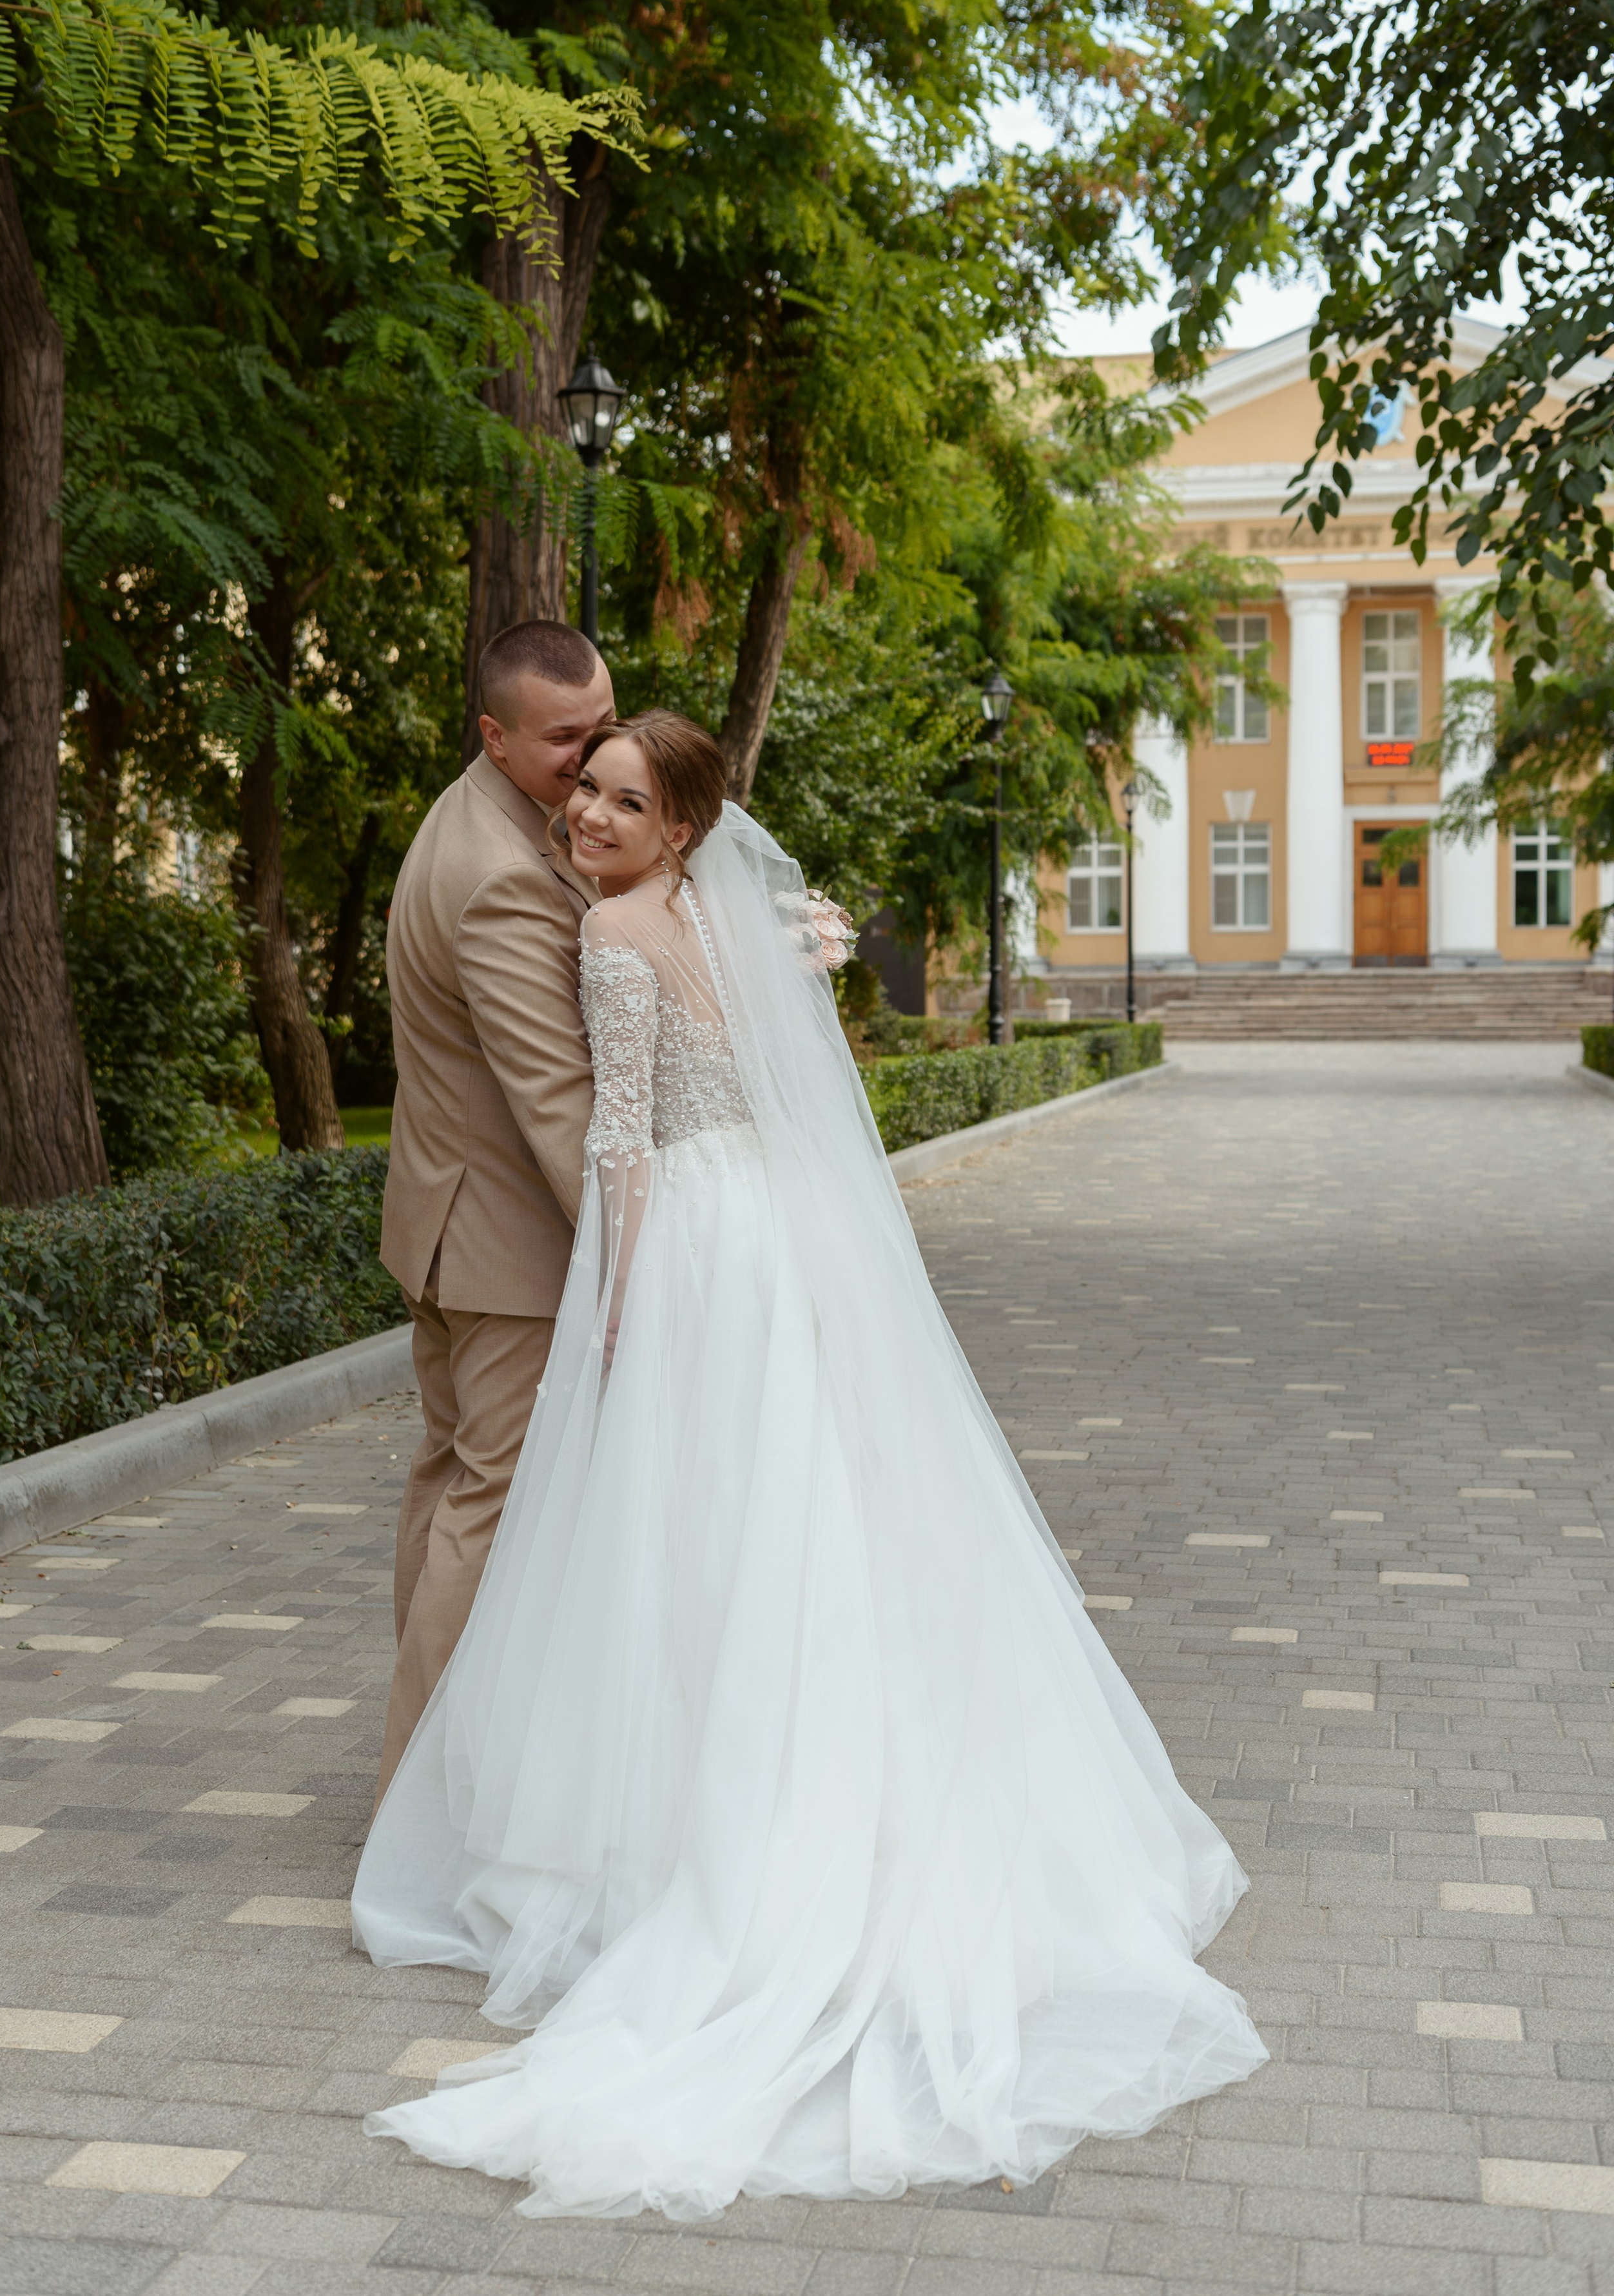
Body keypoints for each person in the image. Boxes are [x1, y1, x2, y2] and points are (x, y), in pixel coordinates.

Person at [353, 709, 1267, 2218]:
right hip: (779, 1234)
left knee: (695, 1532)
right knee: (800, 1515)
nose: (588, 815)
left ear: (680, 829)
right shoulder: (736, 927)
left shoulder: (616, 937)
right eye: (584, 787)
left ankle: (696, 1842)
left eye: (622, 800)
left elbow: (624, 1147)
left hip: (697, 1254)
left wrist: (620, 1310)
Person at [373, 619, 615, 1802]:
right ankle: (416, 1797)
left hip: (443, 1221)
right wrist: (633, 1248)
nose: (594, 750)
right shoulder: (506, 876)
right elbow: (554, 1097)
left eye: (603, 721)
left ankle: (421, 1771)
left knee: (448, 1483)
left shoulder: (481, 814)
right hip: (505, 1241)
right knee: (491, 1500)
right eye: (567, 737)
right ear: (496, 736)